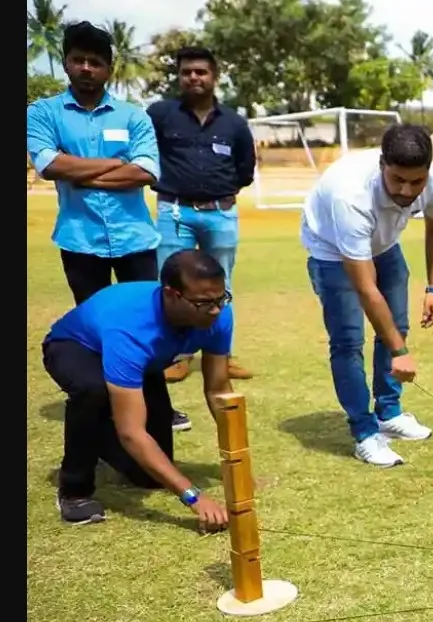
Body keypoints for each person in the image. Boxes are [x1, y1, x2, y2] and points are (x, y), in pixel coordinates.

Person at [41, 251, 235, 530]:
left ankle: (98, 435)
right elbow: (132, 432)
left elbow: (218, 391)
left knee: (151, 477)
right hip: (76, 347)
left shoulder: (218, 314)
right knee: (93, 393)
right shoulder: (130, 329)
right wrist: (194, 497)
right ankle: (74, 490)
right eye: (204, 303)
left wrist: (239, 464)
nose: (215, 310)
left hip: (143, 361)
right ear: (171, 294)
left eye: (220, 298)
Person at [300, 123, 433, 467]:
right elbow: (366, 288)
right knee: (348, 341)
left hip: (384, 244)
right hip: (332, 250)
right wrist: (401, 353)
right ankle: (365, 433)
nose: (406, 190)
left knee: (397, 325)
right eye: (397, 180)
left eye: (416, 182)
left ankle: (389, 413)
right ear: (382, 164)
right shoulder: (350, 195)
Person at [26, 22, 161, 304]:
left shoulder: (134, 116)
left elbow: (146, 171)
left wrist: (78, 174)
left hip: (135, 238)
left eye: (96, 62)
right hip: (80, 240)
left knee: (142, 317)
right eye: (78, 60)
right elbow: (50, 165)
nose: (86, 68)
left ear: (109, 69)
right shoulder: (42, 113)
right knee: (92, 319)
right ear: (65, 63)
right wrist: (118, 162)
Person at [149, 45, 257, 393]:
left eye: (201, 71)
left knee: (221, 286)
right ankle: (176, 356)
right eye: (186, 72)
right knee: (173, 287)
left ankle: (221, 355)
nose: (193, 77)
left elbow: (245, 169)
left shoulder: (234, 123)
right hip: (173, 211)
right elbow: (145, 154)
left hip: (220, 214)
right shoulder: (161, 115)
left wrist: (218, 191)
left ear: (214, 76)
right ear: (179, 76)